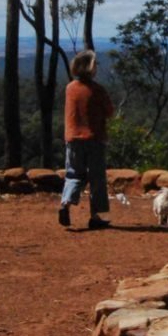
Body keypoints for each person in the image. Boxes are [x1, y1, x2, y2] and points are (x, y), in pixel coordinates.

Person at [58, 50, 114, 230]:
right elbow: (110, 112)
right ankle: (95, 216)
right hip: (94, 139)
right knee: (96, 178)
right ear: (90, 68)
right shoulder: (98, 90)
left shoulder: (70, 88)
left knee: (73, 174)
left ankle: (65, 204)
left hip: (73, 138)